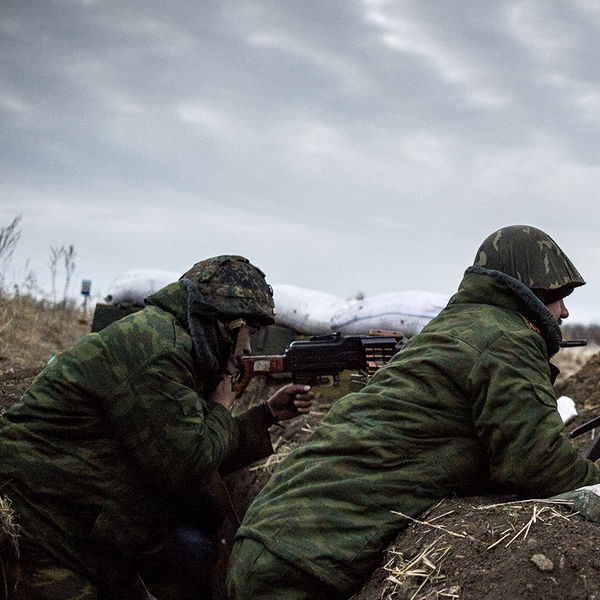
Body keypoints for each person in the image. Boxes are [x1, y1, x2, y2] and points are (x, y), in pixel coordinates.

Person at [226, 225, 600, 600]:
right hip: (298, 561)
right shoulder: (508, 339)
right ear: (530, 293)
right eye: (558, 297)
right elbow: (536, 464)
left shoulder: (455, 328)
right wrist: (593, 479)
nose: (564, 312)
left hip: (273, 535)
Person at [0, 255, 314, 599]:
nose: (249, 347)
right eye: (249, 333)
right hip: (36, 531)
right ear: (226, 324)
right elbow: (188, 464)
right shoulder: (158, 351)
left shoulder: (176, 347)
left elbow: (186, 442)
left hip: (82, 534)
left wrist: (267, 415)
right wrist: (220, 408)